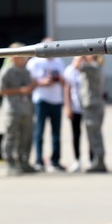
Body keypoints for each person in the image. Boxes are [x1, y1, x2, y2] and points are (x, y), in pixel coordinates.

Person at [0, 45, 37, 176]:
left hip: (26, 109)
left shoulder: (26, 71)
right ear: (14, 57)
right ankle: (11, 163)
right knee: (11, 137)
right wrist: (20, 91)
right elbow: (0, 90)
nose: (25, 58)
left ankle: (23, 162)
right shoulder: (7, 71)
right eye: (23, 55)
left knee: (26, 137)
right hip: (12, 110)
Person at [26, 39, 66, 171]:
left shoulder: (59, 62)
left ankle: (55, 161)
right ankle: (39, 161)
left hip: (56, 101)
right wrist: (41, 82)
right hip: (41, 100)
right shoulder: (34, 62)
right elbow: (28, 83)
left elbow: (65, 82)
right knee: (39, 132)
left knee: (56, 133)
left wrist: (60, 80)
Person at [74, 55, 108, 173]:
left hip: (92, 106)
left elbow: (76, 66)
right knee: (94, 134)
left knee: (94, 135)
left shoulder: (92, 67)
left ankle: (99, 162)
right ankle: (98, 161)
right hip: (95, 105)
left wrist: (80, 56)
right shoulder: (96, 67)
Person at [62, 58, 84, 172]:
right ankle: (77, 159)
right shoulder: (70, 70)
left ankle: (91, 158)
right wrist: (68, 106)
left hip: (88, 107)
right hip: (75, 106)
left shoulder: (88, 69)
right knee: (76, 134)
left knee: (91, 134)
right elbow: (67, 89)